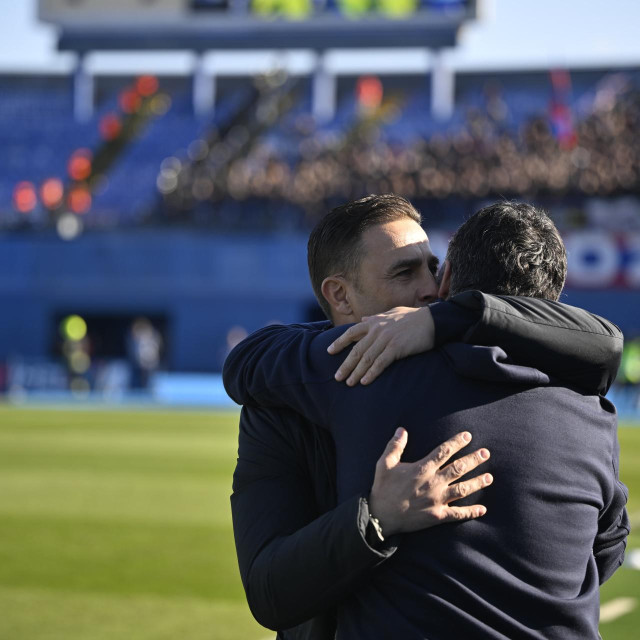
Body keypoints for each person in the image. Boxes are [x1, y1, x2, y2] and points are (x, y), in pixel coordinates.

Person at [225, 201, 628, 639]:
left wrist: (444, 320)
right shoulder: (590, 408)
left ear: (451, 275)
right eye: (404, 273)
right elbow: (270, 592)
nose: (430, 291)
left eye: (433, 269)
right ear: (339, 294)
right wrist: (375, 519)